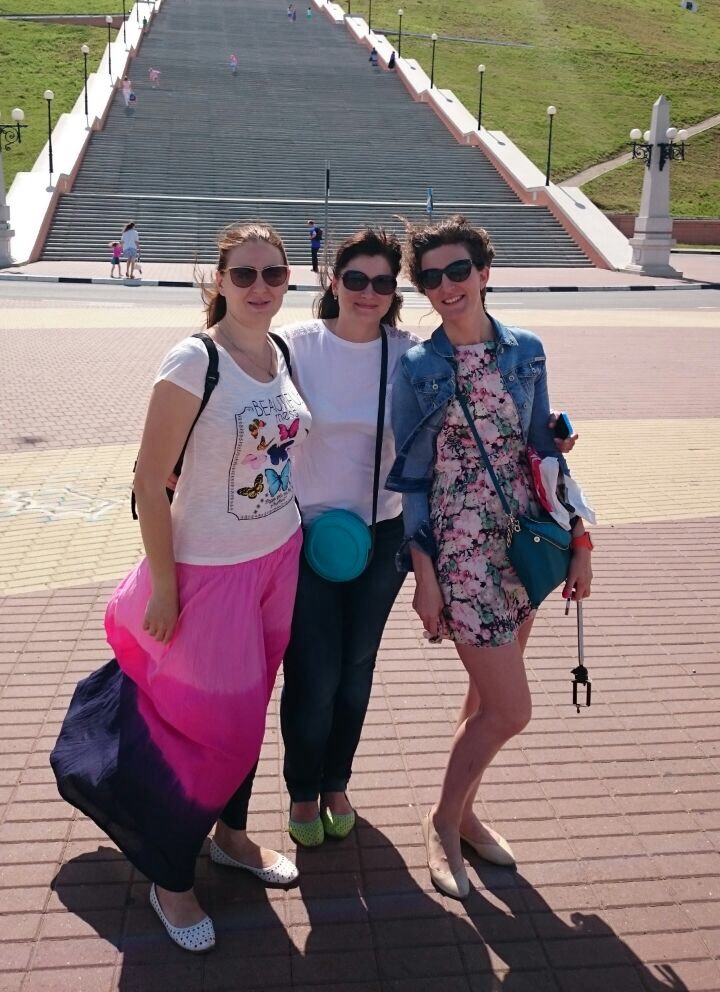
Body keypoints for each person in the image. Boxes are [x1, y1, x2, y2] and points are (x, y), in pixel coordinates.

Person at [51, 223, 310, 951]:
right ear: (219, 281)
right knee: (210, 729)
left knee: (246, 715)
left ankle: (229, 836)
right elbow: (147, 481)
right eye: (244, 273)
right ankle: (170, 875)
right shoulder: (196, 360)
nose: (260, 286)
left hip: (277, 559)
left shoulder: (281, 352)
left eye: (273, 274)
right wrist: (164, 587)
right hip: (209, 573)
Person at [387, 216, 590, 900]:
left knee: (483, 700)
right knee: (510, 709)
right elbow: (413, 480)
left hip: (522, 543)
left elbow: (543, 453)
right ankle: (442, 822)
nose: (447, 286)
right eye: (431, 277)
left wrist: (579, 536)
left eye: (458, 271)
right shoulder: (418, 368)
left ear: (483, 272)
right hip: (461, 552)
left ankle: (465, 815)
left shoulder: (525, 350)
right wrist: (424, 577)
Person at [267, 230, 417, 846]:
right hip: (305, 535)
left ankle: (336, 782)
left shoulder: (408, 355)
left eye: (382, 282)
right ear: (334, 282)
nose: (368, 292)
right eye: (356, 279)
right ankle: (303, 790)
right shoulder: (296, 346)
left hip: (382, 536)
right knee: (315, 671)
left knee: (357, 668)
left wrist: (547, 434)